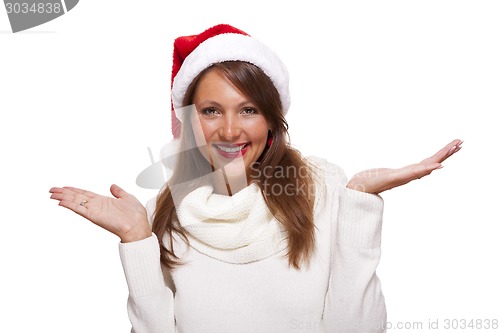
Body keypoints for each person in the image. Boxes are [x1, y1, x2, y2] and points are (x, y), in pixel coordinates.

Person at [49, 24, 462, 333]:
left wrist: (357, 203)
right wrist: (138, 239)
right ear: (190, 122)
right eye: (211, 111)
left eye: (248, 110)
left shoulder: (321, 190)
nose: (229, 131)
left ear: (271, 121)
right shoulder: (165, 211)